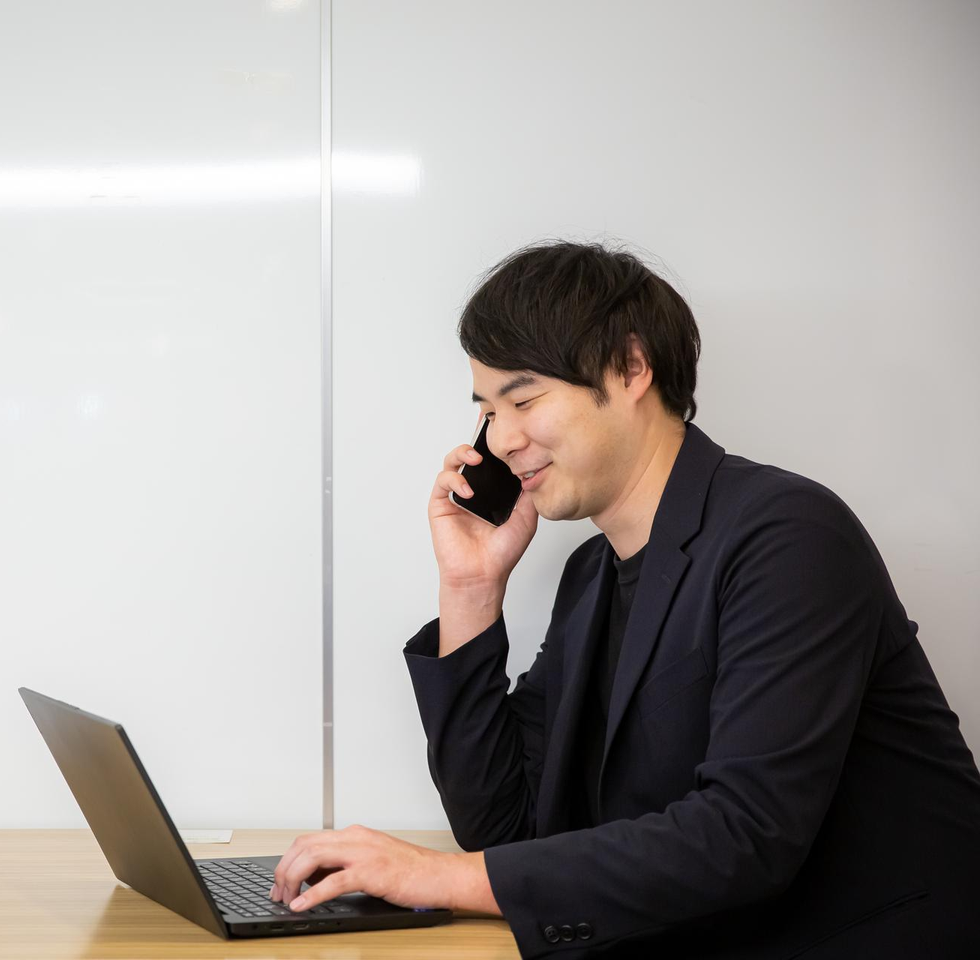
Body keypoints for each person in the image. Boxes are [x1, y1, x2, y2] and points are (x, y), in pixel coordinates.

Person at [266, 240, 980, 957]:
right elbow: (503, 828)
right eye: (486, 410)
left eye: (523, 399)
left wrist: (439, 877)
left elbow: (746, 835)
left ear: (632, 367)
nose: (500, 439)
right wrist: (471, 588)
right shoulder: (591, 577)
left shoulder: (789, 537)